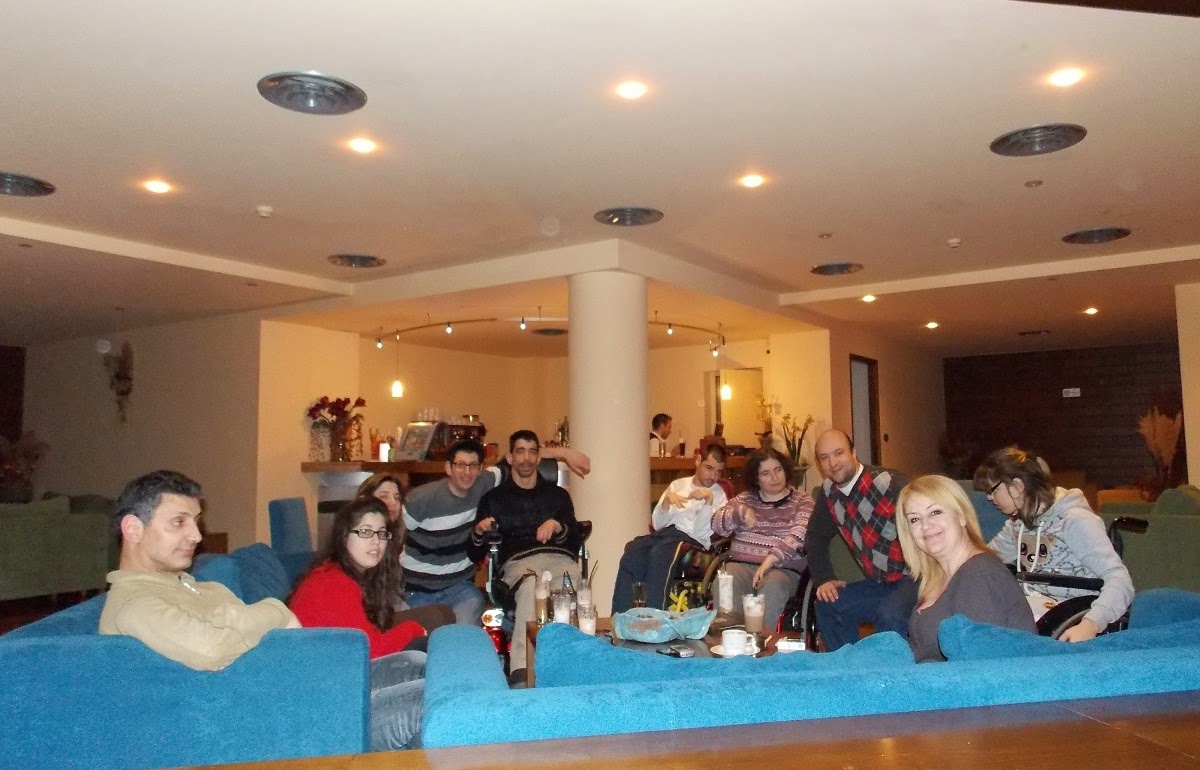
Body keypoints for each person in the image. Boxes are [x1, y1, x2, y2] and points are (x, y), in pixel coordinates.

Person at [99, 470, 300, 671]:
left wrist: (239, 619)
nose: (196, 536)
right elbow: (212, 650)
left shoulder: (210, 588)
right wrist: (278, 611)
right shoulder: (134, 605)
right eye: (179, 522)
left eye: (195, 522)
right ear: (133, 529)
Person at [288, 497, 438, 750]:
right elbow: (371, 650)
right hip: (326, 712)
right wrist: (412, 628)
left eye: (381, 533)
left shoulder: (344, 576)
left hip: (344, 683)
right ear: (344, 537)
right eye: (365, 532)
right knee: (427, 695)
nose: (376, 542)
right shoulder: (332, 583)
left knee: (418, 663)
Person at [402, 437, 589, 625]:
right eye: (460, 465)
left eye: (473, 465)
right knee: (421, 633)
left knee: (570, 584)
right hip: (418, 589)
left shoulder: (484, 483)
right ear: (448, 468)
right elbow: (392, 535)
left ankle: (571, 643)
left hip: (458, 587)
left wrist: (565, 454)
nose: (467, 472)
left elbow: (524, 459)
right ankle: (525, 646)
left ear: (480, 469)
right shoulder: (422, 499)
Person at [974, 446, 1134, 643]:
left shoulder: (1075, 521)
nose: (989, 498)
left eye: (992, 490)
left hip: (1070, 613)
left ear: (1017, 486)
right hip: (1032, 608)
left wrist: (1091, 624)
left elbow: (1120, 580)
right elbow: (984, 563)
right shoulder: (1017, 525)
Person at [467, 430, 582, 684]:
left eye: (532, 452)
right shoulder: (494, 499)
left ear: (539, 457)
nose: (526, 458)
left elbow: (575, 541)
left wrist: (558, 526)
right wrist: (479, 531)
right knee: (532, 587)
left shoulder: (558, 496)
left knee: (571, 582)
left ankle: (570, 666)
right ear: (510, 457)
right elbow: (474, 553)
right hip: (519, 563)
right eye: (520, 451)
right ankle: (522, 671)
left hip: (559, 560)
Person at [897, 475, 1036, 663]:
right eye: (914, 519)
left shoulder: (979, 575)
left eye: (935, 512)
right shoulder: (936, 580)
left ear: (961, 516)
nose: (926, 526)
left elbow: (982, 666)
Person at [807, 429, 917, 651]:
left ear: (854, 453)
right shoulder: (829, 493)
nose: (833, 463)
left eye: (838, 453)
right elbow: (815, 537)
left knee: (889, 615)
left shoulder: (888, 482)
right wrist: (824, 579)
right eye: (824, 458)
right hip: (881, 584)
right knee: (828, 605)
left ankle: (895, 671)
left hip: (915, 578)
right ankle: (848, 666)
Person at [612, 443, 729, 611]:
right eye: (709, 468)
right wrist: (666, 503)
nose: (713, 476)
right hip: (667, 534)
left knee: (661, 553)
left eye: (718, 472)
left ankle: (655, 614)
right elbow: (657, 524)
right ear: (698, 461)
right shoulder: (678, 485)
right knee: (634, 549)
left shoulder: (718, 495)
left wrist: (708, 502)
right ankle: (622, 614)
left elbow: (700, 533)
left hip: (693, 540)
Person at [711, 448, 814, 628]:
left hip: (782, 570)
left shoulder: (803, 501)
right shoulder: (745, 500)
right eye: (765, 473)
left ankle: (761, 640)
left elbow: (801, 534)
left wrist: (771, 559)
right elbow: (717, 525)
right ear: (756, 478)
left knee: (773, 585)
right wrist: (740, 514)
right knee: (726, 579)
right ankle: (729, 636)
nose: (774, 477)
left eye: (778, 470)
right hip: (742, 566)